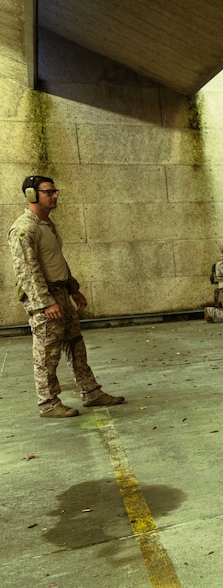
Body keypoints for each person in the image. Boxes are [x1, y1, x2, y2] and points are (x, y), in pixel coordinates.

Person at [7, 175, 125, 418]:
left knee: (75, 343)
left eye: (55, 191)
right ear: (32, 195)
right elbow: (27, 270)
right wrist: (45, 303)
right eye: (48, 192)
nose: (55, 196)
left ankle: (91, 392)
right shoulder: (23, 228)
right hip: (45, 297)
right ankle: (48, 403)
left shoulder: (47, 224)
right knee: (47, 352)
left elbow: (56, 260)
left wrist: (73, 289)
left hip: (61, 292)